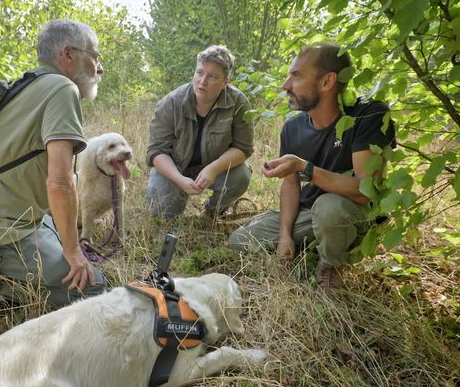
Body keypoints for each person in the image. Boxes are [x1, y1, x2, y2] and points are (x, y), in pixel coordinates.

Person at [0, 19, 106, 308]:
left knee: (57, 227)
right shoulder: (62, 89)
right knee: (96, 290)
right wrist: (71, 251)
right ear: (68, 54)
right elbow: (59, 182)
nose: (99, 67)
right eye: (94, 56)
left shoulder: (28, 83)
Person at [229, 42, 396, 296]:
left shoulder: (367, 116)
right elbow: (290, 184)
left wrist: (304, 166)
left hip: (355, 213)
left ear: (327, 81)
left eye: (296, 76)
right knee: (240, 240)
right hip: (310, 213)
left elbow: (366, 191)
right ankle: (313, 242)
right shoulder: (292, 128)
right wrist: (284, 236)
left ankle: (330, 267)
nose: (286, 85)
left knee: (329, 208)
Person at [146, 45, 254, 220]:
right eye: (199, 73)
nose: (202, 81)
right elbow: (156, 151)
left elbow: (244, 148)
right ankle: (175, 203)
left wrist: (213, 169)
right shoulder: (171, 103)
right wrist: (180, 180)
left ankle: (212, 212)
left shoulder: (238, 103)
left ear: (226, 81)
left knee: (241, 176)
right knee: (162, 214)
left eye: (212, 77)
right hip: (175, 168)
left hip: (213, 166)